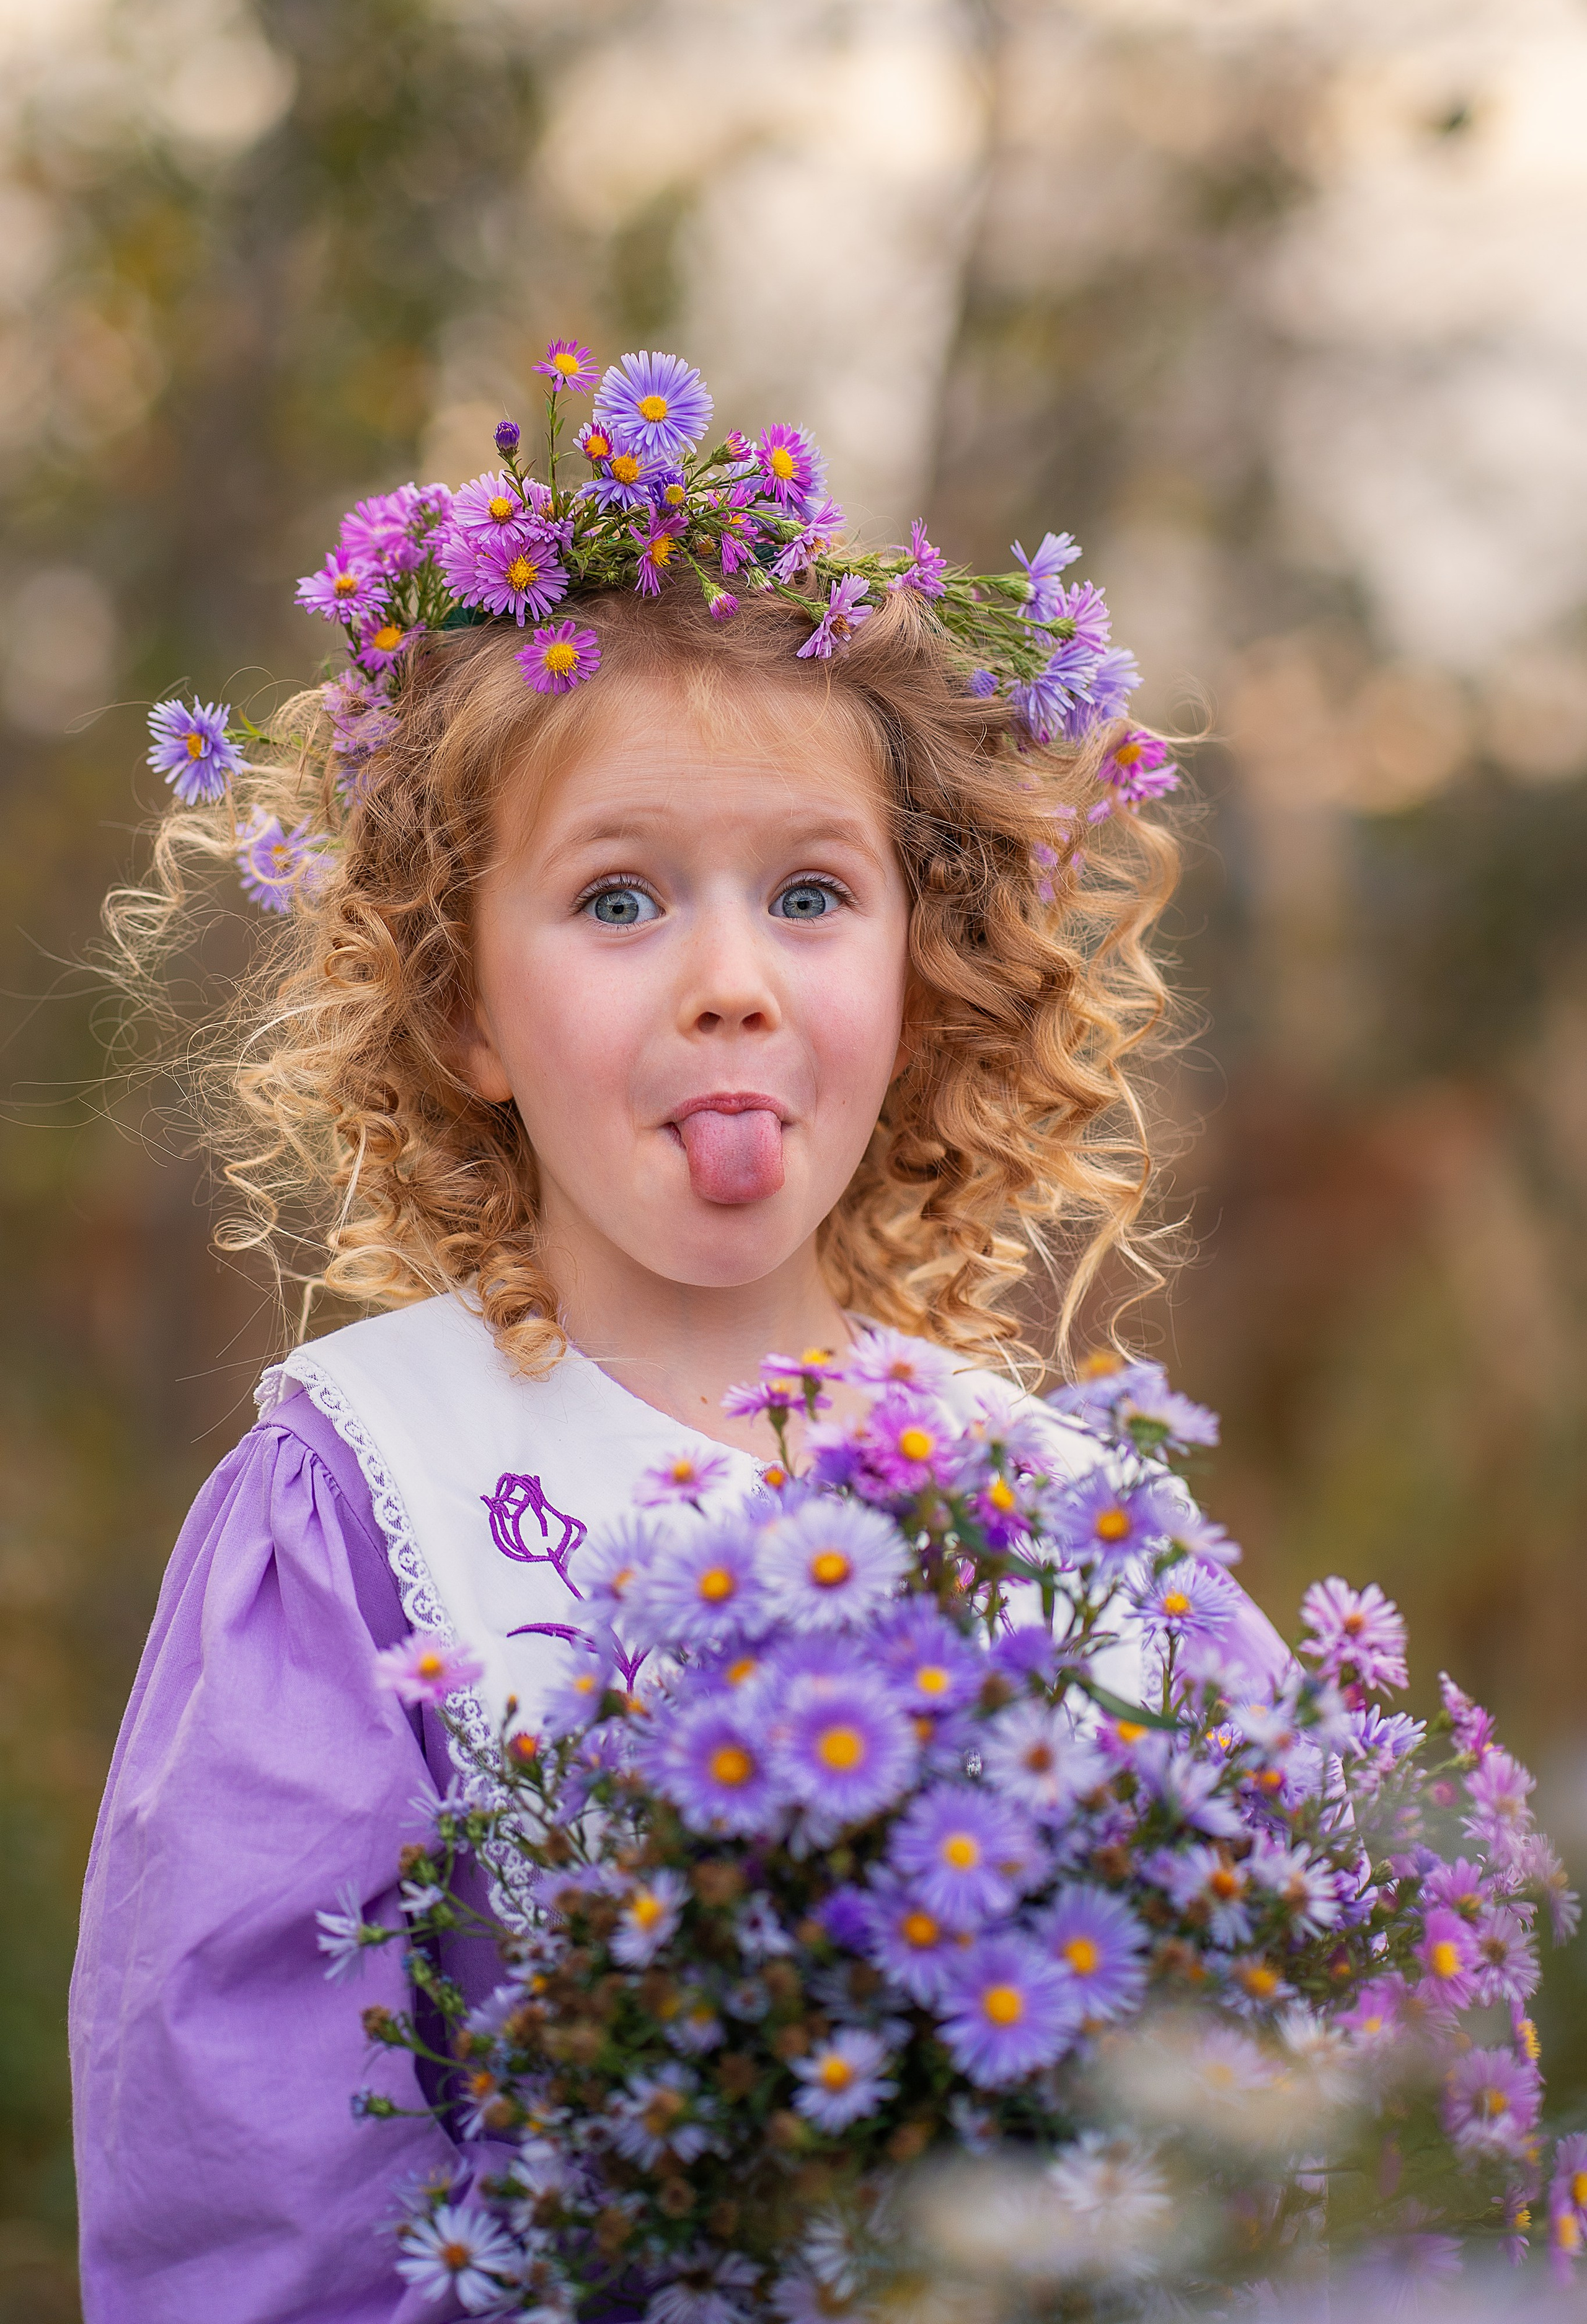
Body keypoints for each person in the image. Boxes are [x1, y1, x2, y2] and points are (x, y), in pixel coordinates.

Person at [70, 348, 1283, 2322]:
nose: (730, 982)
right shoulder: (369, 1500)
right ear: (466, 1007)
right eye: (620, 898)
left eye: (812, 894)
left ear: (923, 969)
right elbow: (256, 2213)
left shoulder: (1083, 1524)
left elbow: (1277, 2110)